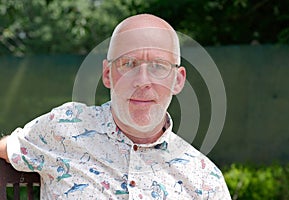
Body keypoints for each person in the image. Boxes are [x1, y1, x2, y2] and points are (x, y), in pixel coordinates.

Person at [0, 14, 231, 199]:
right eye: (128, 64)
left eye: (158, 66)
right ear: (107, 74)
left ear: (178, 80)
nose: (142, 80)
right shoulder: (63, 128)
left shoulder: (205, 180)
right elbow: (6, 148)